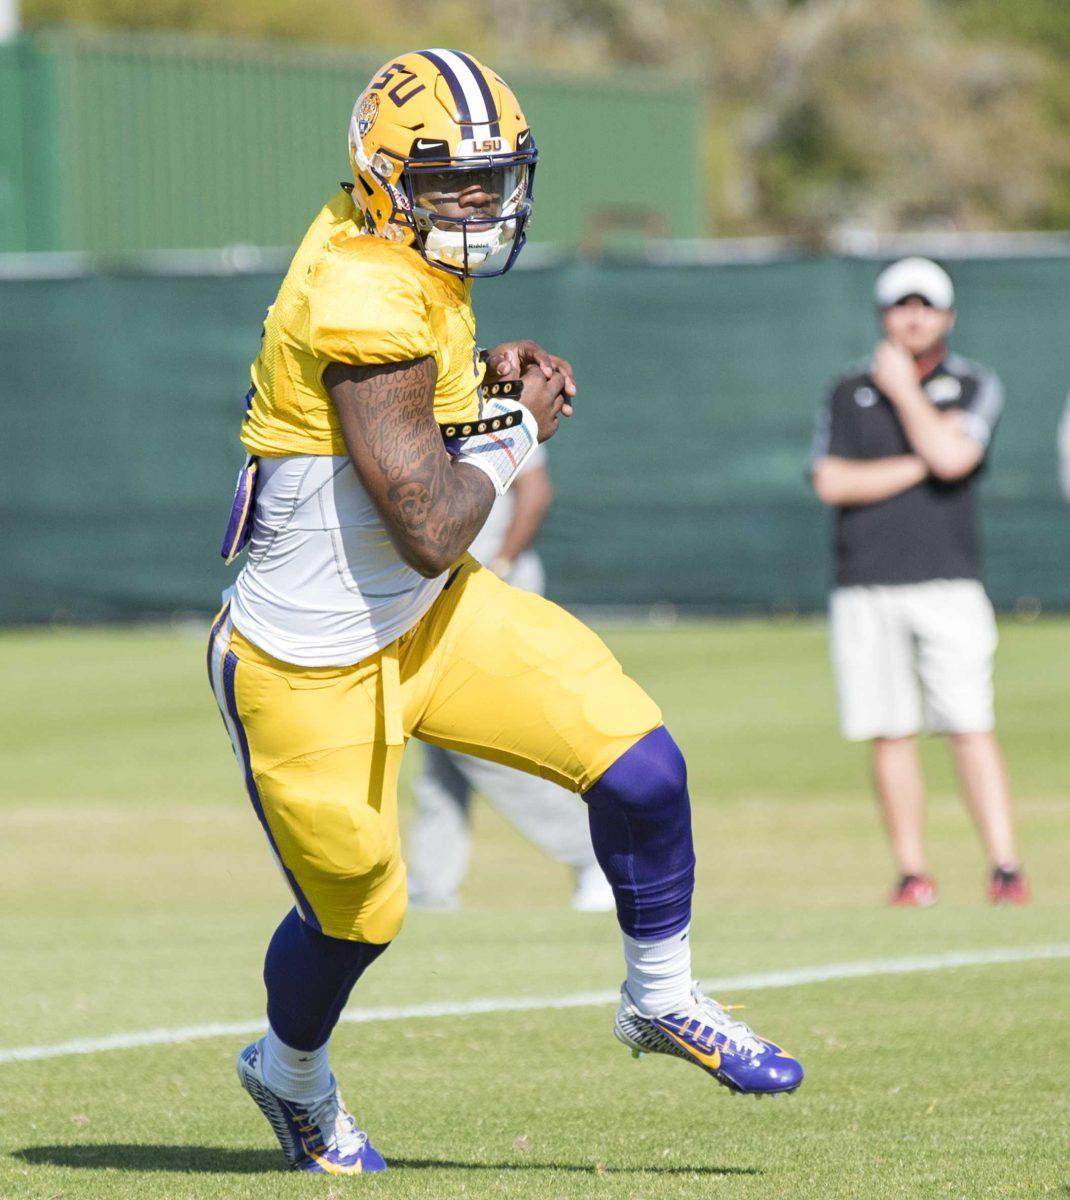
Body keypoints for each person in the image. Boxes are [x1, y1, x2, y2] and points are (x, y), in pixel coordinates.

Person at [207, 49, 802, 1176]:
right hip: (308, 660)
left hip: (427, 621)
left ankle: (660, 998)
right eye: (448, 186)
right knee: (360, 916)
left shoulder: (399, 254)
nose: (476, 205)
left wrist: (479, 379)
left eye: (491, 179)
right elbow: (430, 518)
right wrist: (520, 426)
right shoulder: (359, 285)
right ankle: (288, 1074)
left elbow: (398, 431)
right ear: (380, 178)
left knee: (639, 763)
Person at [811, 257, 1029, 909]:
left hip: (948, 583)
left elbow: (957, 456)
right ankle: (912, 872)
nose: (913, 317)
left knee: (968, 721)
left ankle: (1005, 867)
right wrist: (922, 464)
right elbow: (830, 481)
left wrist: (905, 393)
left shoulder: (972, 383)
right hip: (866, 583)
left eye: (926, 306)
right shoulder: (847, 389)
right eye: (901, 305)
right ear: (883, 315)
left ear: (948, 317)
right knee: (890, 728)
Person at [407, 447, 615, 913]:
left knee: (472, 739)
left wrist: (500, 562)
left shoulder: (493, 392)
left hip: (489, 596)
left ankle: (600, 856)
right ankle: (431, 885)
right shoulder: (414, 396)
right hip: (433, 597)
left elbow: (535, 491)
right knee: (436, 741)